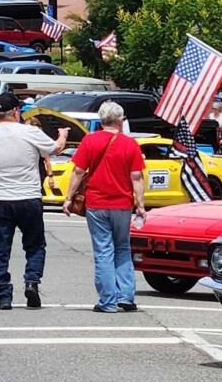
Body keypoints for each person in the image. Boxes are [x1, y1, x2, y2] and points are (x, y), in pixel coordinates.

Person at [0, 93, 69, 310]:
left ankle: (4, 294)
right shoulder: (29, 132)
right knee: (35, 244)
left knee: (0, 247)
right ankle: (31, 281)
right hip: (28, 196)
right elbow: (56, 149)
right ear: (15, 111)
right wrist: (62, 134)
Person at [62, 101, 146, 313]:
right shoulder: (130, 144)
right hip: (122, 203)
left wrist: (69, 197)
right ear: (120, 121)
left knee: (103, 250)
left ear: (101, 121)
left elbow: (78, 171)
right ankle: (126, 297)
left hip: (97, 203)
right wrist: (141, 205)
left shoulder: (90, 141)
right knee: (123, 248)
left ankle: (107, 301)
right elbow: (136, 177)